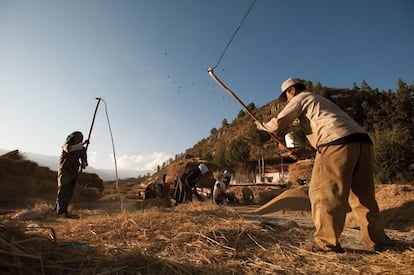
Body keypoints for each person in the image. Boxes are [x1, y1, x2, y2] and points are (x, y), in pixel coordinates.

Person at [255, 78, 390, 252]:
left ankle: (326, 242)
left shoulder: (301, 98)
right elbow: (328, 131)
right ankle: (377, 239)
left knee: (323, 193)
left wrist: (262, 126)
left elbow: (279, 123)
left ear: (292, 91)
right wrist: (303, 152)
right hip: (361, 142)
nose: (287, 101)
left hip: (336, 143)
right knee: (363, 196)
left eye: (287, 96)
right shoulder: (320, 103)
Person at [54, 131, 88, 219]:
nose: (80, 139)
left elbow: (84, 159)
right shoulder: (66, 145)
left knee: (69, 192)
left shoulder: (82, 149)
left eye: (81, 138)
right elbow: (69, 149)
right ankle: (60, 212)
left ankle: (63, 211)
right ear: (72, 138)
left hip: (74, 172)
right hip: (65, 170)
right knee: (63, 190)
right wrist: (83, 144)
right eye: (78, 137)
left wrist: (83, 163)